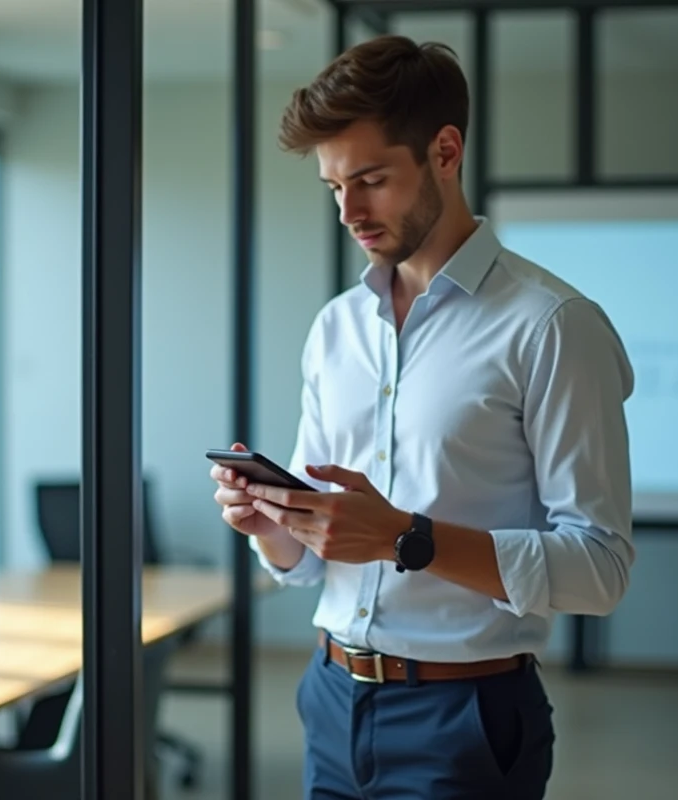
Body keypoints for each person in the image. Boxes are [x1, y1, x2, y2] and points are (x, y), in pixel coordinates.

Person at [211, 34, 635, 799]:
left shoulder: (552, 325)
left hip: (464, 716)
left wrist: (410, 539)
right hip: (330, 697)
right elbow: (312, 565)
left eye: (371, 180)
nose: (349, 211)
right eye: (334, 187)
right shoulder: (335, 328)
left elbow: (601, 569)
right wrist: (273, 526)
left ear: (445, 151)